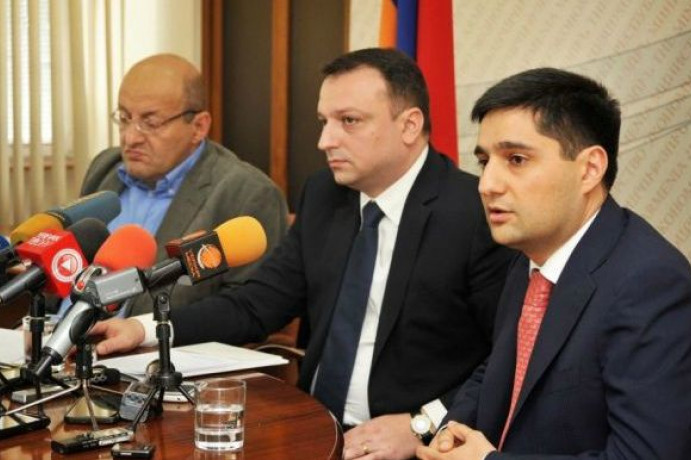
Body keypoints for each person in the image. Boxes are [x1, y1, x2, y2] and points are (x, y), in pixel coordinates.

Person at [89, 48, 513, 460]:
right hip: (314, 426)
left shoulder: (475, 213)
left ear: (409, 125)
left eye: (349, 121)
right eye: (324, 122)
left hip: (422, 445)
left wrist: (424, 422)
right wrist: (145, 328)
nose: (325, 141)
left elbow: (511, 356)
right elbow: (257, 304)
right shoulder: (325, 194)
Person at [417, 68, 691, 460]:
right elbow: (501, 368)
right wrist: (450, 431)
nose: (487, 184)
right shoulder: (529, 256)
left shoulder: (652, 285)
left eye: (516, 159)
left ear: (589, 169)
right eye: (484, 161)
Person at [76, 53, 289, 317]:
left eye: (150, 123)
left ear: (199, 127)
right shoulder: (105, 167)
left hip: (152, 340)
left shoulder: (246, 194)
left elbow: (248, 309)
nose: (130, 138)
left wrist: (142, 332)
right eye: (125, 117)